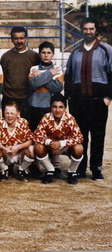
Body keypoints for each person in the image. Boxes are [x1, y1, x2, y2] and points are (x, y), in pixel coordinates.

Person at [65, 17, 112, 180]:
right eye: (85, 29)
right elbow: (69, 76)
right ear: (81, 30)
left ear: (96, 30)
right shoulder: (75, 52)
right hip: (79, 103)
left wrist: (108, 97)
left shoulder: (106, 50)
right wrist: (69, 99)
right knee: (80, 136)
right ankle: (80, 167)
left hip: (99, 101)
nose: (88, 32)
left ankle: (97, 168)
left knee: (98, 136)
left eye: (91, 29)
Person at [34, 94, 84, 184]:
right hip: (51, 146)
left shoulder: (70, 118)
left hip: (66, 146)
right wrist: (51, 143)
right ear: (50, 107)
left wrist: (61, 143)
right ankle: (50, 170)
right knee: (38, 147)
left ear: (65, 108)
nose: (57, 110)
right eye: (55, 107)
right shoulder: (46, 117)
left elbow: (79, 137)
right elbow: (37, 135)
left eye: (61, 107)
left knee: (79, 148)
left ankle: (72, 172)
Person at [0, 27, 40, 120]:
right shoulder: (6, 57)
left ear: (26, 39)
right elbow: (2, 78)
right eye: (16, 38)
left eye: (21, 38)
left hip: (27, 99)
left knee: (26, 128)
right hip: (9, 98)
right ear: (12, 40)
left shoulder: (34, 56)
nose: (19, 41)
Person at [0, 102, 35, 181]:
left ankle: (21, 169)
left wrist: (18, 147)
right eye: (7, 113)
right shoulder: (0, 122)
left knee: (32, 149)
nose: (9, 116)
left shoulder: (23, 122)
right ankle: (4, 169)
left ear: (18, 113)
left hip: (19, 154)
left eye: (12, 113)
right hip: (6, 154)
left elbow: (31, 140)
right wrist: (5, 149)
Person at [28, 41, 64, 132]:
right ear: (40, 54)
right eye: (43, 53)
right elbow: (34, 84)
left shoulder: (58, 69)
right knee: (35, 133)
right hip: (35, 105)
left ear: (53, 54)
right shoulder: (34, 69)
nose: (46, 55)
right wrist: (50, 74)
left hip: (49, 106)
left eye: (49, 53)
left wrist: (41, 76)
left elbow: (57, 88)